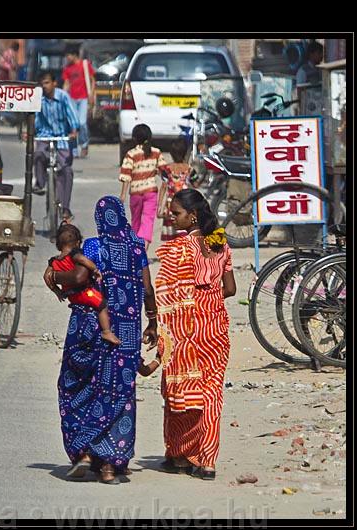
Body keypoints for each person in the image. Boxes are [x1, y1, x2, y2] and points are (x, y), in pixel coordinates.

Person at [46, 196, 157, 485]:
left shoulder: (95, 246)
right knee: (119, 394)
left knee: (76, 384)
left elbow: (80, 274)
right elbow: (146, 288)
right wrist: (153, 322)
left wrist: (56, 276)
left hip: (92, 328)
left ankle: (84, 451)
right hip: (128, 334)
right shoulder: (136, 248)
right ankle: (110, 465)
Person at [154, 188, 236, 480]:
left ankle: (179, 455)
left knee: (180, 390)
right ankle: (208, 461)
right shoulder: (219, 243)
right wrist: (209, 299)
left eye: (176, 213)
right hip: (216, 328)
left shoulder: (178, 249)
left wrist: (162, 334)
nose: (170, 216)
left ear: (193, 215)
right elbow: (230, 289)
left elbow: (166, 295)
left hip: (186, 328)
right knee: (212, 394)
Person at [45, 223, 121, 345]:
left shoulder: (53, 261)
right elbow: (83, 260)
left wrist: (56, 290)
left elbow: (46, 276)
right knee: (102, 304)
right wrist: (95, 270)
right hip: (84, 292)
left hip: (70, 295)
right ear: (77, 243)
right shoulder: (74, 255)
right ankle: (106, 331)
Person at [31, 71, 79, 221]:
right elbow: (36, 119)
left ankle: (65, 208)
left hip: (63, 137)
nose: (44, 86)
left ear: (54, 83)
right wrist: (31, 132)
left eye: (47, 82)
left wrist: (74, 130)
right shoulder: (39, 99)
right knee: (38, 155)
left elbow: (72, 115)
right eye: (42, 83)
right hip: (45, 136)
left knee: (66, 171)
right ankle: (40, 184)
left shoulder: (63, 97)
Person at [119, 124, 168, 250]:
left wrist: (123, 195)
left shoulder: (131, 154)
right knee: (148, 220)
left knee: (135, 220)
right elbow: (164, 171)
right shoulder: (156, 152)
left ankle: (134, 248)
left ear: (134, 138)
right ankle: (143, 249)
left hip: (135, 193)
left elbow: (126, 175)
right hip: (150, 192)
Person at [61, 45, 96, 159]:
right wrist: (62, 95)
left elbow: (92, 80)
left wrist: (91, 93)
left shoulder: (85, 65)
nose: (67, 58)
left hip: (83, 98)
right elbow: (66, 83)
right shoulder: (67, 69)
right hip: (72, 99)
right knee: (72, 124)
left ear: (74, 55)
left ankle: (84, 144)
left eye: (68, 55)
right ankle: (74, 149)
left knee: (82, 123)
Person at [158, 137, 193, 242]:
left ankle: (172, 255)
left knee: (171, 235)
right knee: (183, 233)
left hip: (170, 206)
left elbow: (164, 187)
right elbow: (195, 185)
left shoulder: (167, 170)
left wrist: (160, 205)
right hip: (185, 206)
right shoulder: (189, 169)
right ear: (185, 153)